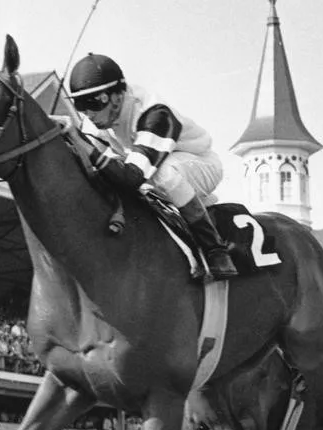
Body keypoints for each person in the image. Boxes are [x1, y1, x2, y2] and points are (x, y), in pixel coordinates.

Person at [68, 53, 237, 280]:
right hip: (149, 167)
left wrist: (82, 143)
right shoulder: (95, 123)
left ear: (118, 95)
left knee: (164, 173)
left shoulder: (155, 114)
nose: (88, 114)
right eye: (80, 105)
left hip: (199, 163)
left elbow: (131, 178)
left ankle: (215, 249)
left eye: (94, 102)